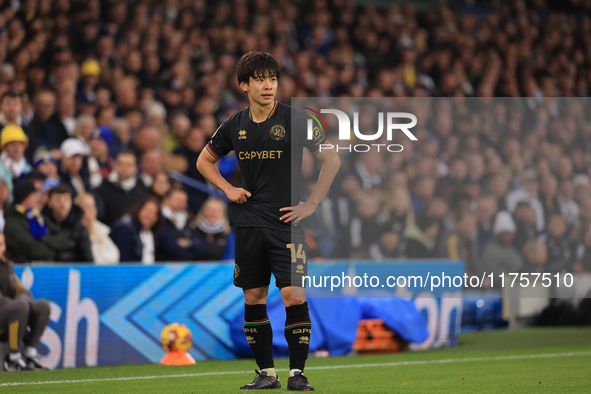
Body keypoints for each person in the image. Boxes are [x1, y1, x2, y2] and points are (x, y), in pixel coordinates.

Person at [197, 52, 340, 391]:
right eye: (260, 79)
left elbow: (331, 160)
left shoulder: (296, 119)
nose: (268, 85)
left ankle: (297, 374)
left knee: (293, 295)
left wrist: (312, 204)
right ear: (244, 84)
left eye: (273, 78)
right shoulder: (234, 124)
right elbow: (204, 161)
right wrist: (228, 189)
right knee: (253, 298)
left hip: (286, 223)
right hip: (248, 224)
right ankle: (266, 374)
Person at [0, 232, 50, 371]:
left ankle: (29, 353)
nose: (1, 248)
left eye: (1, 244)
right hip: (6, 313)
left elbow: (20, 291)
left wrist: (23, 298)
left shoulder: (7, 266)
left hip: (10, 313)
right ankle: (13, 358)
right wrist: (21, 301)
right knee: (21, 305)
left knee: (42, 306)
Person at [4, 180, 73, 262]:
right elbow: (33, 250)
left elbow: (65, 239)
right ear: (25, 197)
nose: (39, 198)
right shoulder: (13, 223)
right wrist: (55, 249)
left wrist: (43, 239)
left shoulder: (39, 217)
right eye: (35, 194)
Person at [95, 151, 148, 226]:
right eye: (120, 164)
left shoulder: (141, 191)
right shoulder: (102, 188)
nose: (124, 168)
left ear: (135, 168)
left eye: (128, 165)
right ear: (115, 165)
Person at [42, 185, 93, 263]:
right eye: (58, 200)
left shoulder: (80, 228)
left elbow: (87, 259)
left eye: (66, 200)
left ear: (71, 203)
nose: (62, 205)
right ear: (49, 202)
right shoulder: (40, 223)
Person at [157, 188, 208, 261]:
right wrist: (193, 254)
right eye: (178, 199)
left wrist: (189, 243)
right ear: (166, 200)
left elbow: (203, 248)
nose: (182, 203)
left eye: (184, 200)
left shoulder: (187, 220)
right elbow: (169, 247)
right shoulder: (159, 219)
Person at [109, 196, 162, 263]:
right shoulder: (125, 229)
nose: (150, 216)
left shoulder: (151, 232)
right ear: (140, 209)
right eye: (148, 211)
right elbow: (123, 262)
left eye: (155, 213)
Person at [76, 193, 120, 265]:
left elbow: (115, 254)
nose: (92, 209)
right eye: (87, 206)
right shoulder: (76, 231)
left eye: (93, 205)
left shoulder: (103, 229)